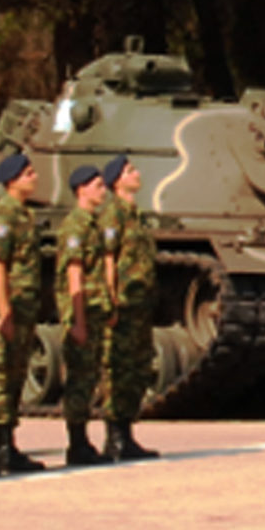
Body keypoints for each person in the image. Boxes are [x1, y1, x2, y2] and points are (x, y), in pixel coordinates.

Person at [0, 153, 46, 475]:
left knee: (16, 373)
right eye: (28, 173)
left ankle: (9, 442)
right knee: (1, 373)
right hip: (9, 305)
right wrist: (3, 309)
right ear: (11, 181)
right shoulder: (3, 215)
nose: (34, 177)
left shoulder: (25, 214)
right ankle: (0, 447)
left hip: (25, 305)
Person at [99, 155, 161, 462]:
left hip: (139, 305)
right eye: (130, 171)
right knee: (119, 368)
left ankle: (126, 432)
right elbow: (108, 259)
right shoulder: (114, 215)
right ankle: (114, 436)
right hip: (122, 304)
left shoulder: (137, 216)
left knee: (137, 368)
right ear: (116, 181)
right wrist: (110, 300)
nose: (137, 174)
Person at [51, 165, 110, 466]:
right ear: (81, 190)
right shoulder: (75, 226)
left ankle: (82, 439)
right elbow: (74, 274)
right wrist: (78, 321)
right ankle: (76, 443)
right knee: (79, 378)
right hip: (83, 311)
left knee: (89, 378)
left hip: (94, 310)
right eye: (98, 185)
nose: (103, 190)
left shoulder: (91, 224)